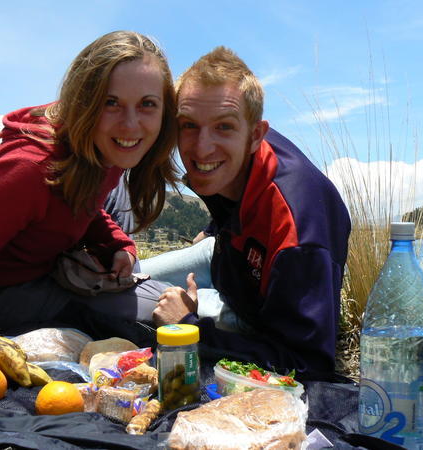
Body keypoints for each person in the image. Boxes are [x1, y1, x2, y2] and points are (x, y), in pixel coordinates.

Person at [0, 31, 178, 343]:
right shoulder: (29, 166)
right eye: (111, 102)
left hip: (47, 271)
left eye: (147, 104)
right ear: (85, 101)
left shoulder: (106, 147)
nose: (130, 125)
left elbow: (81, 207)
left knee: (168, 302)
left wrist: (117, 244)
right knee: (159, 319)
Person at [142, 47, 351, 380]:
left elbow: (309, 365)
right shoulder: (240, 133)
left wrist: (190, 328)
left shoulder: (297, 235)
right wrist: (215, 229)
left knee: (133, 312)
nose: (202, 147)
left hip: (256, 315)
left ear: (256, 135)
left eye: (223, 127)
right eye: (189, 126)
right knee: (124, 281)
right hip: (225, 261)